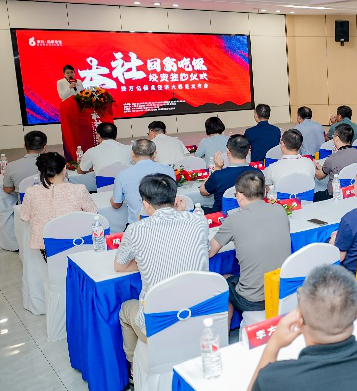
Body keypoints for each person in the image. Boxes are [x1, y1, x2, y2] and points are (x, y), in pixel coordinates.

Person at [115, 174, 208, 369]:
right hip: (199, 317)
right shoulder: (199, 221)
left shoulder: (135, 230)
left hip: (159, 326)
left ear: (146, 204)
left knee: (125, 310)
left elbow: (120, 266)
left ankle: (133, 368)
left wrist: (144, 260)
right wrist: (184, 213)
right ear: (175, 199)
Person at [210, 170, 290, 318]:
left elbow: (210, 252)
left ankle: (224, 339)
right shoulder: (280, 210)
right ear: (264, 192)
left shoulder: (234, 220)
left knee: (224, 280)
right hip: (281, 289)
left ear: (239, 196)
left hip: (252, 299)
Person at [20, 152, 97, 251]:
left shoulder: (31, 191)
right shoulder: (78, 189)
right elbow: (93, 213)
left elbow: (24, 217)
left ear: (40, 171)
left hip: (45, 245)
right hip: (75, 242)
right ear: (64, 169)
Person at [110, 139, 176, 224]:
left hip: (138, 226)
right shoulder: (168, 170)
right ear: (155, 154)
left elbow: (116, 204)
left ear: (132, 154)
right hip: (167, 222)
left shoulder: (122, 175)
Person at [200, 134, 256, 214]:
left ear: (227, 151)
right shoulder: (257, 173)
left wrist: (217, 168)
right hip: (250, 214)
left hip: (222, 218)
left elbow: (203, 191)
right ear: (248, 152)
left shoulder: (218, 175)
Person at [315, 123, 357, 200]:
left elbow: (320, 175)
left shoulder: (333, 158)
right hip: (353, 193)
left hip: (334, 196)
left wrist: (312, 164)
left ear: (337, 138)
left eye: (333, 136)